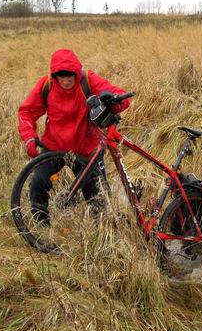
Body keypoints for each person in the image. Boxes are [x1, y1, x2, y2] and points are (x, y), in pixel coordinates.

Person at [17, 48, 130, 223]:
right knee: (38, 182)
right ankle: (41, 227)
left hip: (86, 149)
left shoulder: (88, 80)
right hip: (54, 145)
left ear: (76, 72)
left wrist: (113, 103)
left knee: (98, 200)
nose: (66, 79)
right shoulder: (46, 85)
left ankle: (98, 235)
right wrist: (29, 137)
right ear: (55, 75)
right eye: (61, 75)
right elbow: (27, 112)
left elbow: (120, 96)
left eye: (70, 75)